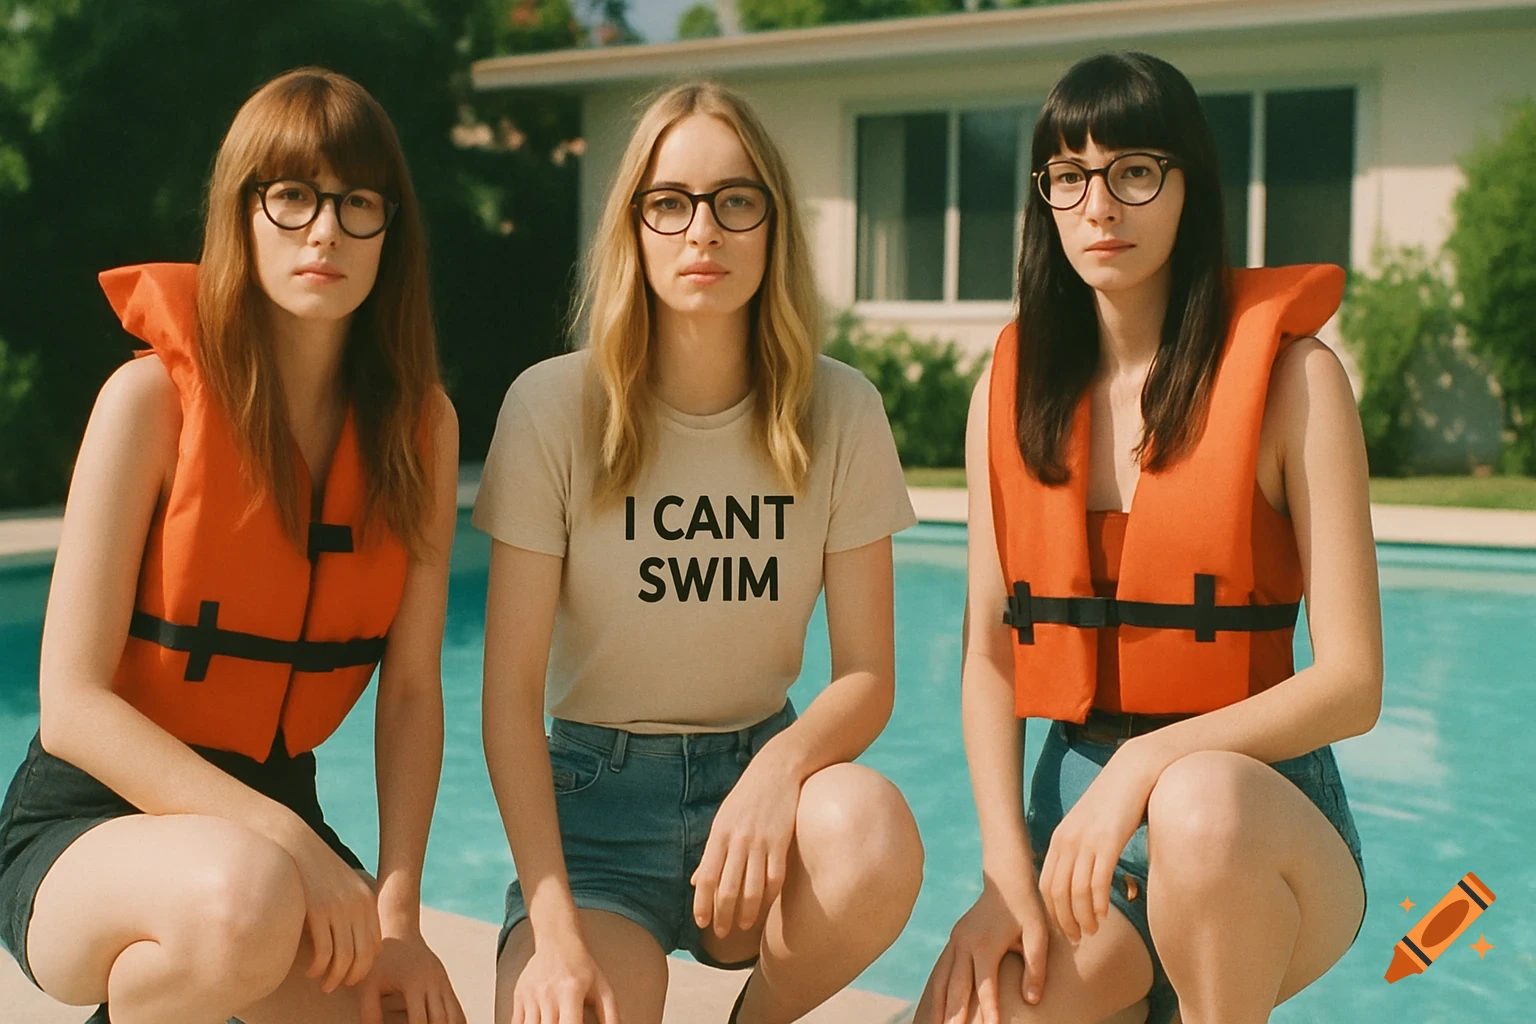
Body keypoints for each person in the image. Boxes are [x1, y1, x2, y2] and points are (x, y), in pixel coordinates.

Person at [918, 52, 1379, 1024]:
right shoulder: (1007, 396)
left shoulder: (1298, 385)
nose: (1101, 205)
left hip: (1255, 825)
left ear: (1188, 186)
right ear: (1045, 197)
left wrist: (1144, 764)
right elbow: (993, 658)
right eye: (1070, 175)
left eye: (1135, 171)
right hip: (1079, 845)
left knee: (1197, 801)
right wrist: (1008, 869)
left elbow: (1353, 685)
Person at [0, 67, 465, 1024]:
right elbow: (71, 706)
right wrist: (286, 840)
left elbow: (414, 691)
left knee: (393, 1008)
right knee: (245, 902)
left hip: (268, 830)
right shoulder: (149, 402)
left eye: (357, 202)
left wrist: (399, 916)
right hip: (87, 823)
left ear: (392, 232)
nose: (325, 230)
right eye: (291, 196)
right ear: (241, 214)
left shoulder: (421, 428)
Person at [474, 80, 926, 1024]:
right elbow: (511, 698)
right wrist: (553, 933)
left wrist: (778, 773)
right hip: (594, 811)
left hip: (758, 787)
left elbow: (869, 675)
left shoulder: (842, 411)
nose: (703, 231)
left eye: (736, 200)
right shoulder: (553, 408)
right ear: (633, 227)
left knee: (872, 832)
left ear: (773, 226)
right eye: (670, 202)